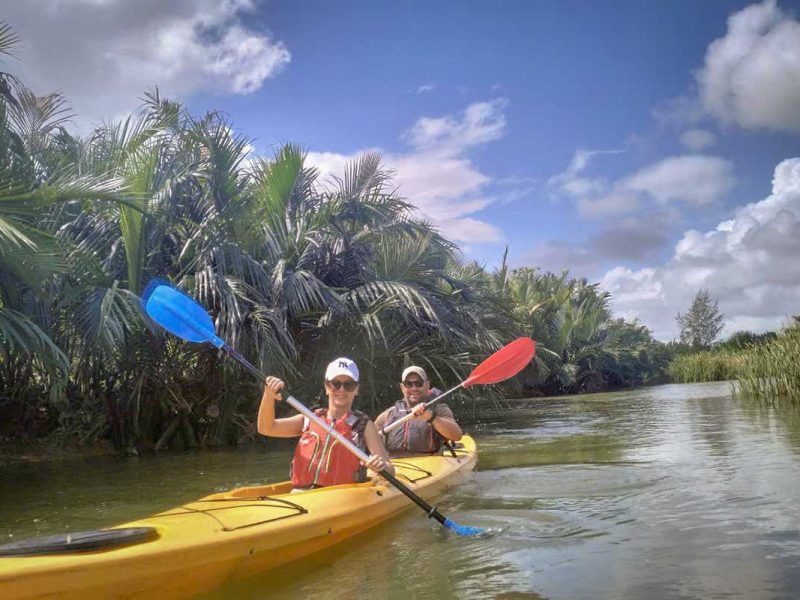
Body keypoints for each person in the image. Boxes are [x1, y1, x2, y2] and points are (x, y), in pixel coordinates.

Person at [257, 357, 395, 490]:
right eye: (335, 383)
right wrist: (268, 396)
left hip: (342, 497)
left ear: (356, 389)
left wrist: (381, 465)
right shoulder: (309, 418)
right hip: (301, 494)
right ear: (327, 387)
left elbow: (390, 470)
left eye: (349, 385)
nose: (341, 390)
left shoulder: (363, 425)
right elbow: (266, 428)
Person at [374, 366, 463, 455]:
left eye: (419, 383)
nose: (414, 388)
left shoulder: (439, 410)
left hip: (430, 463)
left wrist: (430, 417)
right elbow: (369, 440)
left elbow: (457, 435)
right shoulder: (389, 414)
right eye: (409, 384)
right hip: (395, 464)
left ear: (427, 385)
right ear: (402, 387)